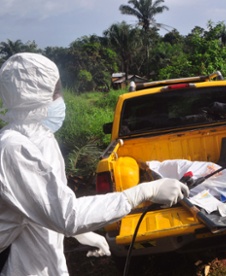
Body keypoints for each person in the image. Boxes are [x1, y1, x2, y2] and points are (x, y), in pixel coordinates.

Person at [0, 53, 189, 276]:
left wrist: (78, 233)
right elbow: (66, 215)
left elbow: (49, 204)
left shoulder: (42, 139)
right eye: (55, 92)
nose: (60, 99)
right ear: (33, 97)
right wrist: (146, 191)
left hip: (44, 260)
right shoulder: (12, 148)